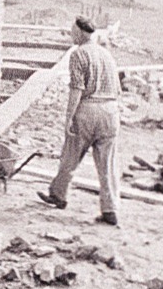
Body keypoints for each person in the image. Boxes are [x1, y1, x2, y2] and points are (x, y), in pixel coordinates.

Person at [38, 17, 121, 225]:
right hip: (111, 111)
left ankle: (58, 195)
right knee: (107, 164)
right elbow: (118, 89)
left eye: (73, 31)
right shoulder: (107, 55)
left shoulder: (78, 54)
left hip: (87, 109)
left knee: (70, 155)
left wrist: (69, 118)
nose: (70, 35)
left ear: (83, 33)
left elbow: (77, 89)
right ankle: (110, 210)